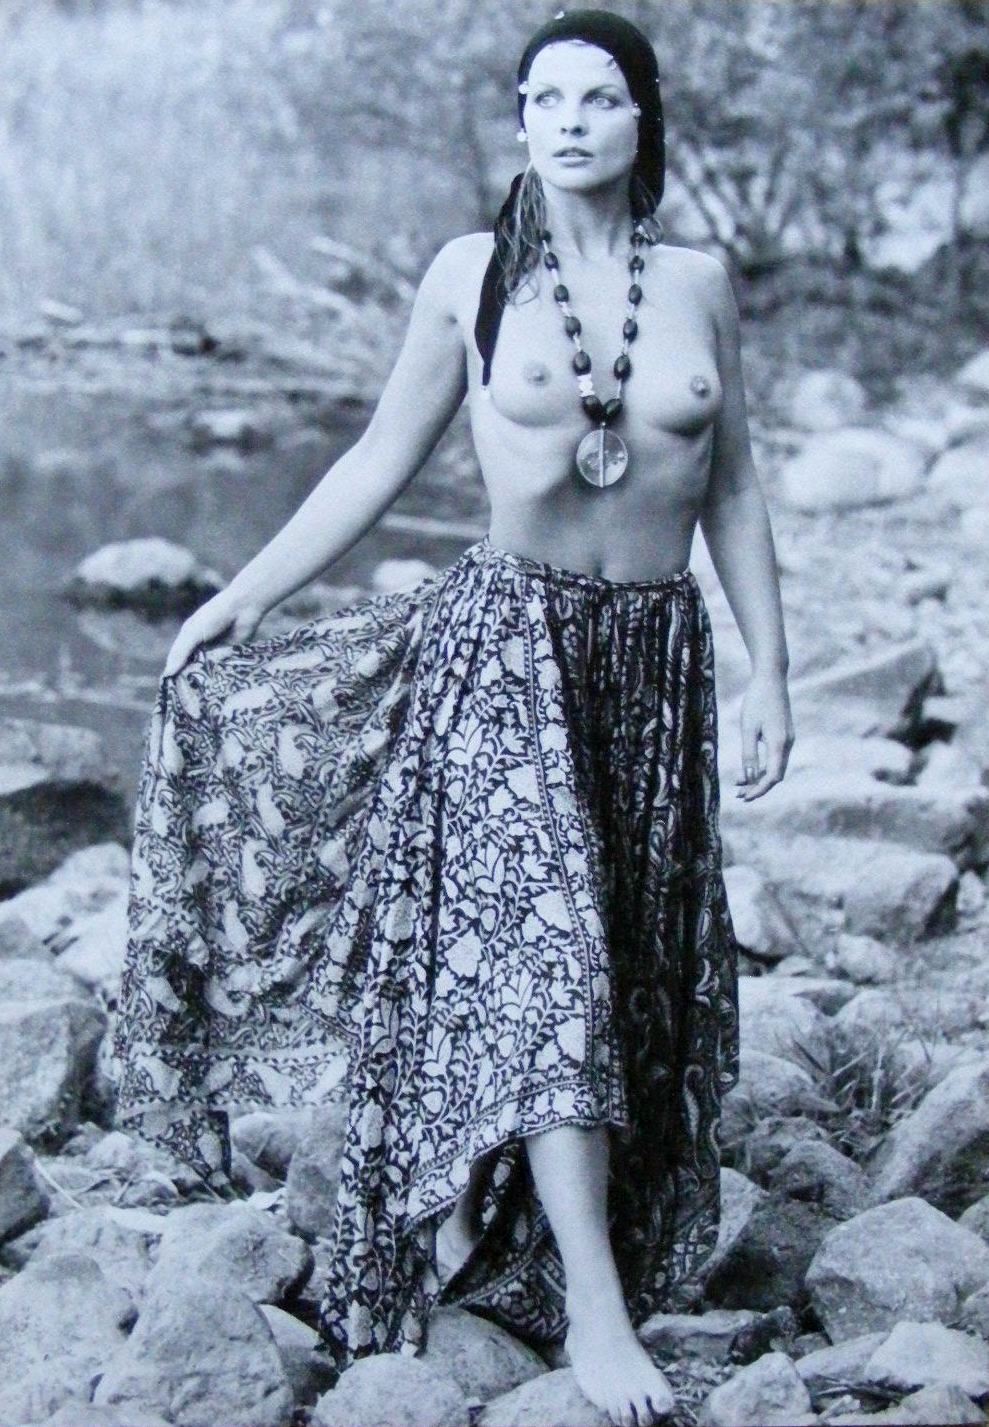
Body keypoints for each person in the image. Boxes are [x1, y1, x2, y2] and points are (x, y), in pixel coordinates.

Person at [110, 10, 794, 1426]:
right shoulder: (469, 275)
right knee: (545, 965)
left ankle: (490, 1199)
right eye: (544, 98)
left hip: (652, 665)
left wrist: (770, 673)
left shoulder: (697, 283)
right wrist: (240, 593)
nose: (568, 122)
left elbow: (732, 487)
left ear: (643, 121)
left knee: (618, 965)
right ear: (520, 120)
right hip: (505, 653)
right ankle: (597, 1316)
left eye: (598, 99)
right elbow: (378, 456)